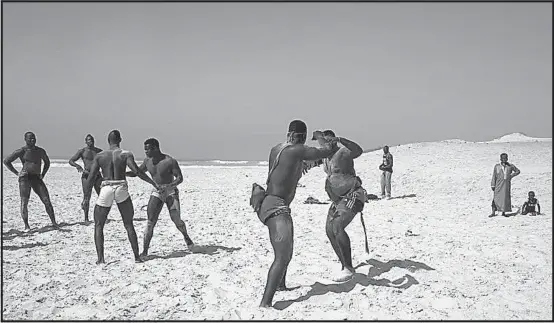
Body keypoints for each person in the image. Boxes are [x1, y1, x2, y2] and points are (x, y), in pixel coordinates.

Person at [249, 120, 337, 308]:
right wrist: (322, 136)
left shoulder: (278, 149)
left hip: (268, 202)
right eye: (302, 138)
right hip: (276, 207)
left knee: (287, 249)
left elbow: (289, 169)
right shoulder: (296, 150)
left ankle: (281, 285)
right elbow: (328, 150)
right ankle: (265, 303)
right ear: (301, 137)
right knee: (282, 256)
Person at [82, 130, 159, 264]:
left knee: (99, 225)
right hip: (121, 187)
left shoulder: (100, 156)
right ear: (120, 140)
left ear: (108, 141)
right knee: (128, 224)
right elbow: (137, 171)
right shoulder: (125, 154)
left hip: (106, 187)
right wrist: (152, 182)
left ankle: (100, 259)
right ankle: (136, 257)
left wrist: (86, 197)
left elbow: (91, 177)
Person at [126, 138, 195, 258]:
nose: (146, 152)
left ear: (156, 148)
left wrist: (169, 186)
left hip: (170, 192)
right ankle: (145, 251)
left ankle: (186, 236)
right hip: (157, 191)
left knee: (176, 219)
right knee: (150, 222)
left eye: (148, 149)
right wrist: (123, 173)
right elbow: (137, 172)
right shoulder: (147, 161)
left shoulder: (170, 161)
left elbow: (179, 178)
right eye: (145, 149)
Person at [316, 130, 366, 282]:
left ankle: (349, 268)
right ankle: (345, 265)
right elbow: (308, 161)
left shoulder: (343, 152)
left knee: (337, 226)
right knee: (329, 230)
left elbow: (358, 150)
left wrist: (340, 139)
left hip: (353, 195)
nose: (321, 144)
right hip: (338, 199)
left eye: (324, 141)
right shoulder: (324, 156)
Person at [3, 132, 58, 231]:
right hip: (25, 178)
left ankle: (54, 222)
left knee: (46, 200)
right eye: (30, 138)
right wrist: (17, 173)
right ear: (25, 139)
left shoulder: (40, 151)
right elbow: (6, 161)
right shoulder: (21, 151)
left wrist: (43, 174)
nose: (32, 140)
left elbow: (47, 162)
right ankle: (26, 226)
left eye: (34, 138)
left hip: (36, 177)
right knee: (24, 202)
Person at [69, 134, 103, 222]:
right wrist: (78, 166)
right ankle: (86, 218)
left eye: (92, 139)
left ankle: (101, 216)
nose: (90, 141)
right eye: (88, 140)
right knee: (87, 196)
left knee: (101, 195)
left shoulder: (99, 151)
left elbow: (104, 162)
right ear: (86, 141)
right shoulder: (82, 151)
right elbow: (71, 161)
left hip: (97, 175)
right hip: (87, 175)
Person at [490, 153, 520, 217]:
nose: (504, 159)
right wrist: (493, 185)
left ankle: (503, 212)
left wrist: (511, 176)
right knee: (495, 198)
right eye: (503, 158)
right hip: (498, 185)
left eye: (505, 158)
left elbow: (517, 171)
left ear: (507, 158)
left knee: (504, 199)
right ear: (500, 159)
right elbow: (494, 176)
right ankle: (493, 212)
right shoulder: (497, 166)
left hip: (506, 185)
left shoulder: (510, 166)